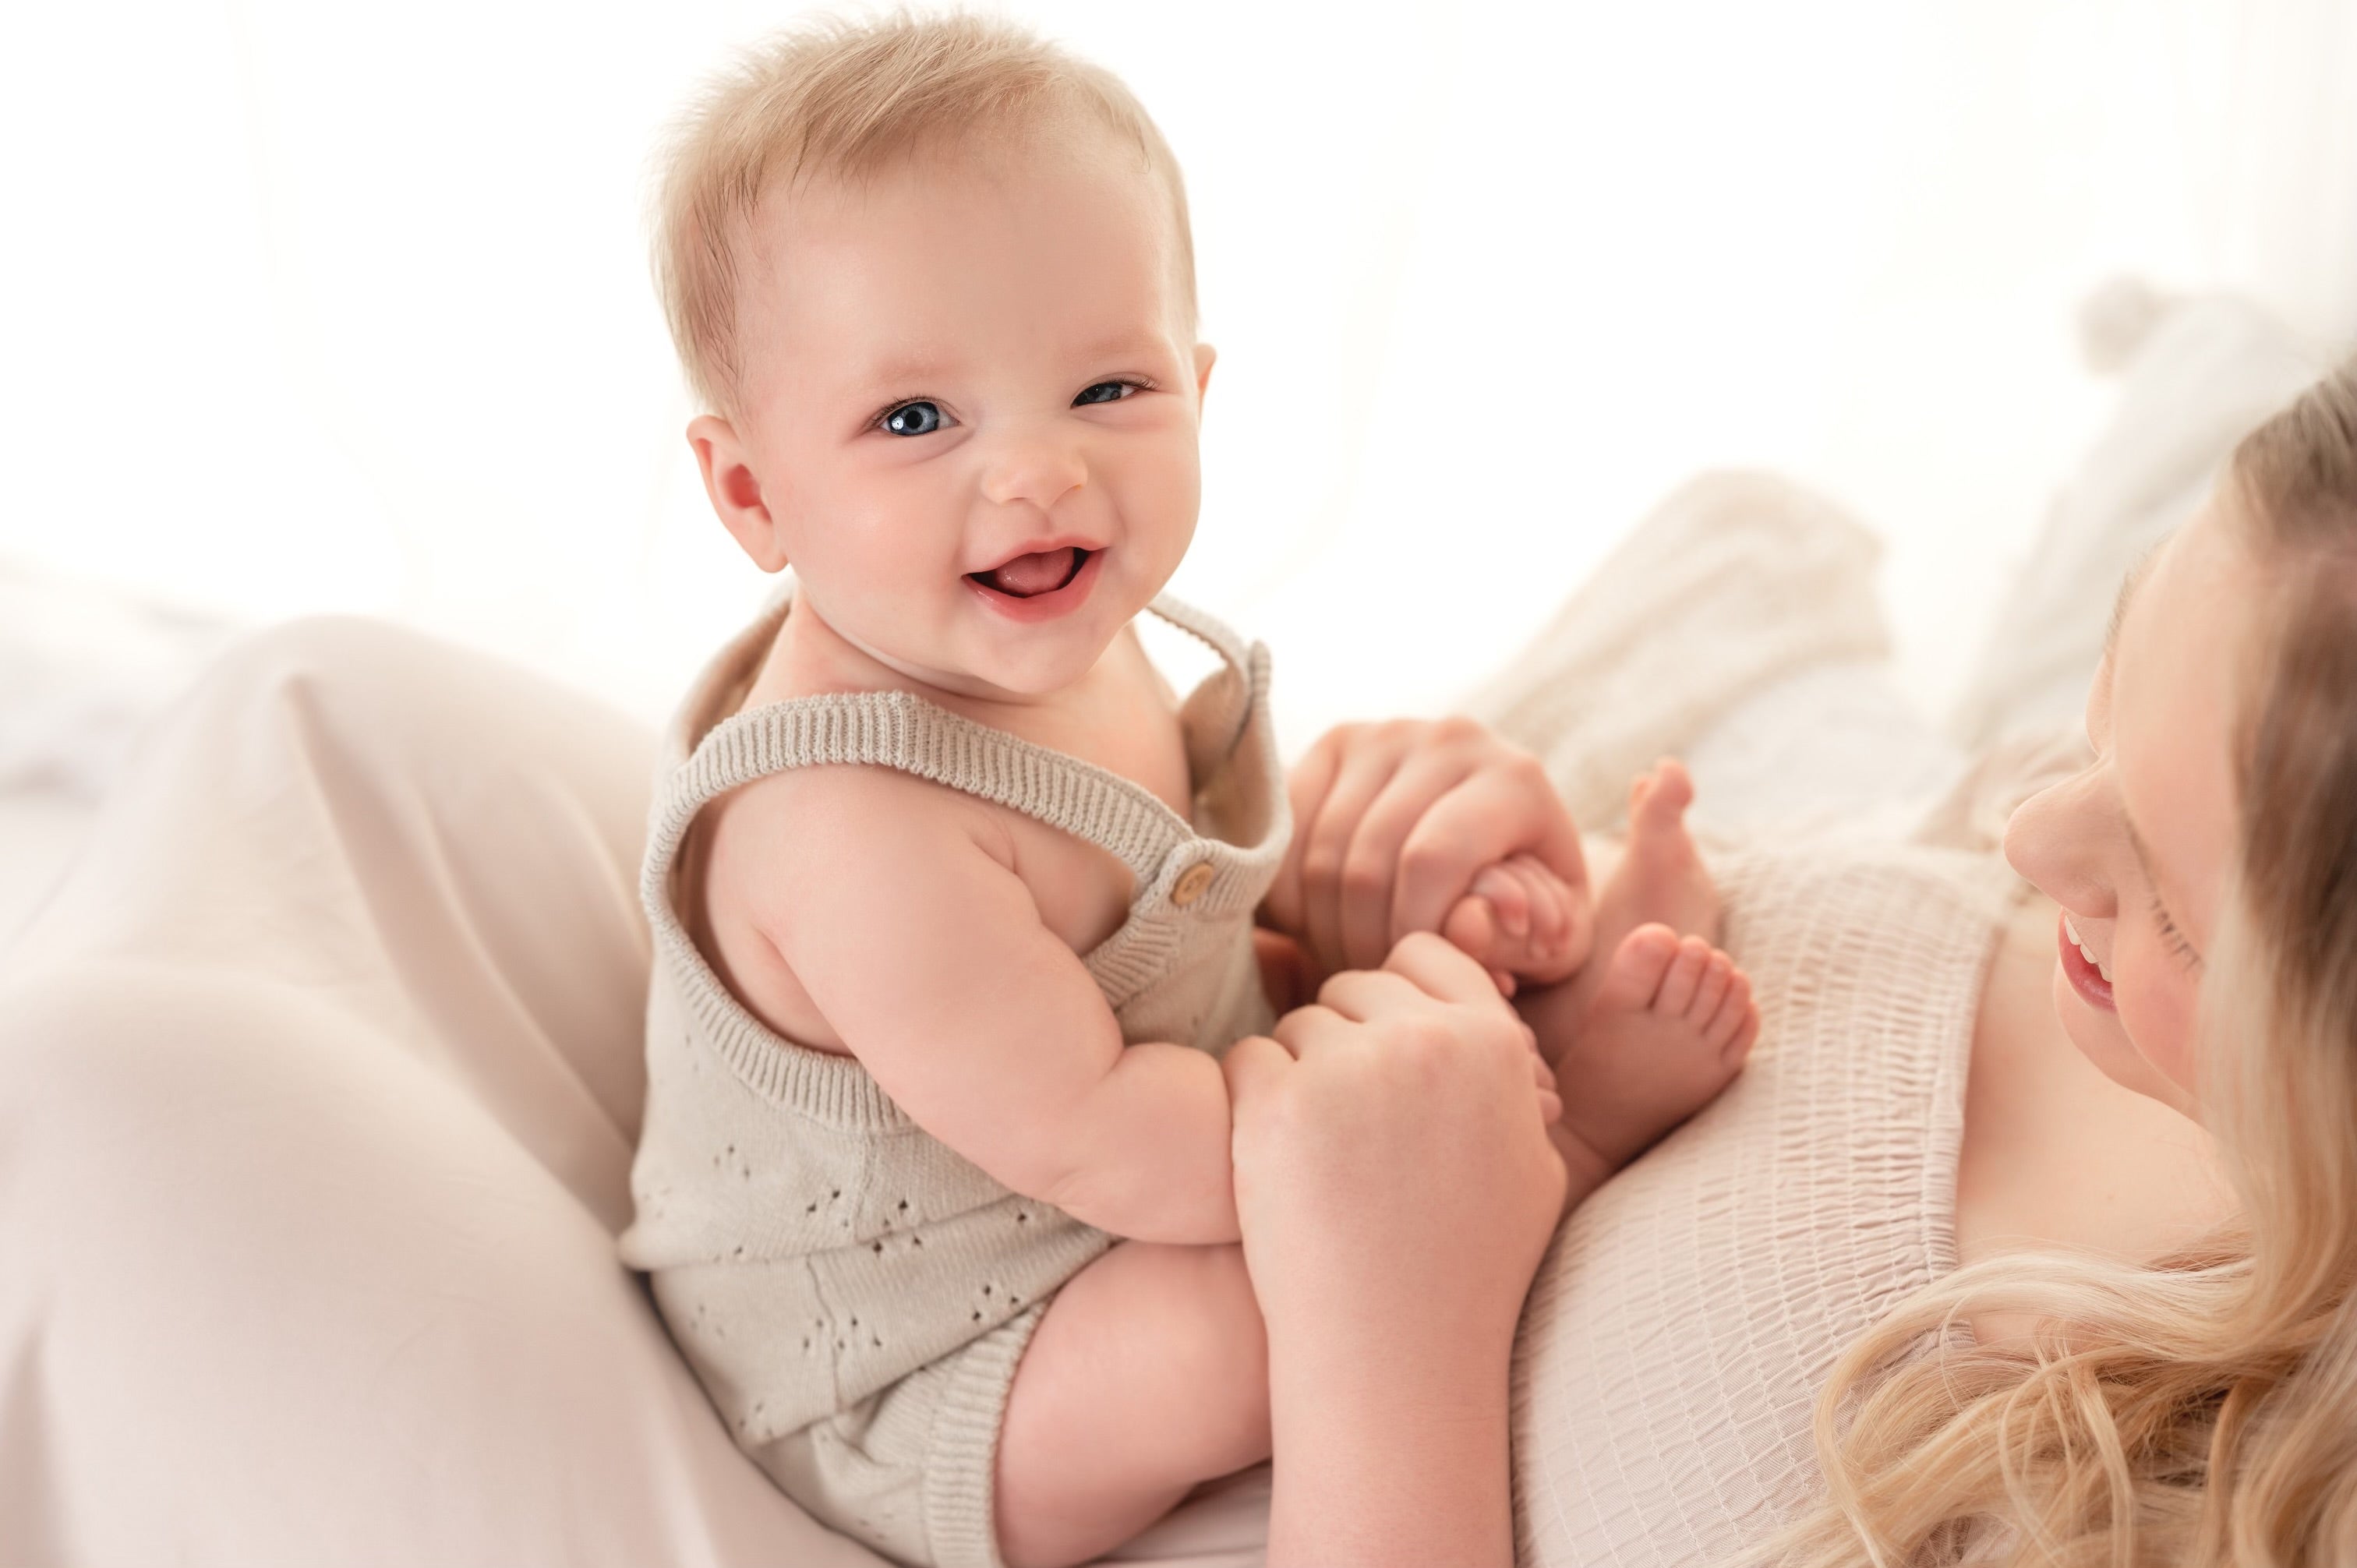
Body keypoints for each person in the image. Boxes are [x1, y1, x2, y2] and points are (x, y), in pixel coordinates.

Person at [617, 16, 1755, 1568]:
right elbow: (1098, 1131)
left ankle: (1501, 1020)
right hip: (934, 1364)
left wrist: (1383, 935)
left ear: (1199, 388)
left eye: (1106, 388)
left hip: (1135, 1125)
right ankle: (1562, 1141)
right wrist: (1410, 1116)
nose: (1039, 474)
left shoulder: (1048, 626)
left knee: (1361, 1010)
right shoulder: (851, 829)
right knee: (1242, 1327)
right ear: (754, 492)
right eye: (914, 420)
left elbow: (1177, 906)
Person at [1224, 355, 2357, 1565]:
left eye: (2174, 915)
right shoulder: (2100, 874)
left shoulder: (2170, 1506)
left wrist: (1386, 1340)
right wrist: (1512, 891)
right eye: (2104, 706)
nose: (2036, 837)